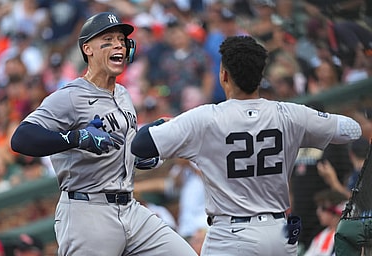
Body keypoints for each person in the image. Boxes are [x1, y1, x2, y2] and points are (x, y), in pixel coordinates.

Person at [131, 35, 362, 256]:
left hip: (232, 235)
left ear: (224, 75)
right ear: (260, 75)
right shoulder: (289, 113)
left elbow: (140, 145)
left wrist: (164, 123)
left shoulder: (204, 118)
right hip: (279, 234)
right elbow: (352, 130)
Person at [10, 12, 197, 256]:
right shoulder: (70, 96)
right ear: (87, 49)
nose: (118, 44)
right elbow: (21, 138)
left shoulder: (123, 94)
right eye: (107, 40)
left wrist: (138, 157)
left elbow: (121, 148)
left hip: (130, 208)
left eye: (121, 40)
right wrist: (74, 138)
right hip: (87, 211)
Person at [304, 189, 348, 256]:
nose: (318, 212)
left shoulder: (346, 237)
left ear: (337, 211)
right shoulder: (320, 236)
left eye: (323, 208)